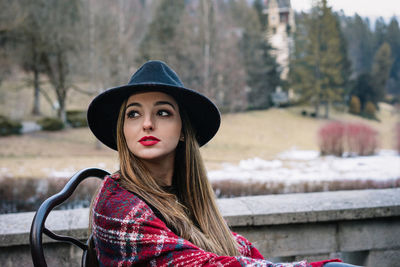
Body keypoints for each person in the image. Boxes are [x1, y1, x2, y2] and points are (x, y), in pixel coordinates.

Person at [87, 61, 353, 266]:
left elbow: (241, 251)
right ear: (123, 129)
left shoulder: (184, 199)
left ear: (182, 130)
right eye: (133, 114)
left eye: (163, 112)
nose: (146, 123)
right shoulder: (117, 206)